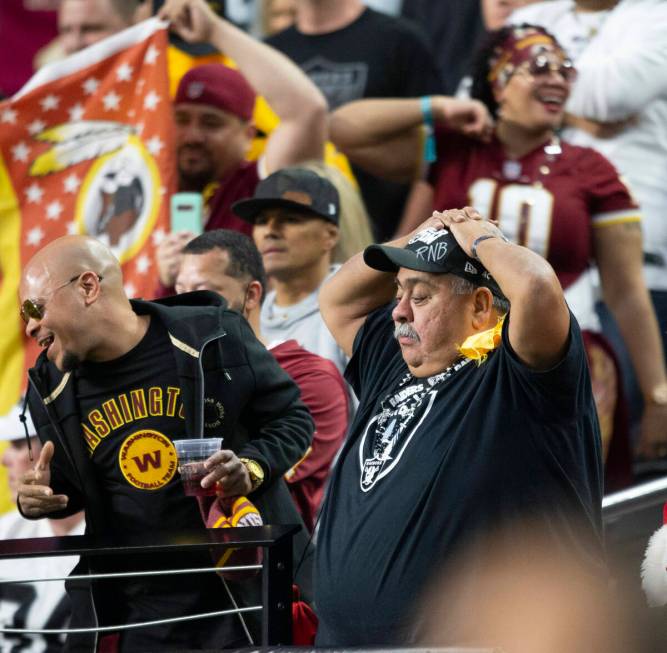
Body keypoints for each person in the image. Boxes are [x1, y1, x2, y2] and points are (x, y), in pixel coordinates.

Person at [328, 24, 667, 482]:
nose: (559, 80)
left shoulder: (592, 168)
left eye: (567, 69)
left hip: (559, 349)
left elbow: (626, 292)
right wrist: (442, 107)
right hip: (448, 346)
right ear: (499, 81)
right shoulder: (452, 149)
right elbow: (343, 128)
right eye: (539, 67)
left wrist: (658, 394)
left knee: (557, 486)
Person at [315, 206, 605, 645]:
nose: (399, 312)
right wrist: (426, 232)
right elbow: (337, 298)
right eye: (398, 292)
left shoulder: (517, 373)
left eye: (421, 296)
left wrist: (479, 239)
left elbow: (537, 287)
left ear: (481, 306)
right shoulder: (393, 360)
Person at [17, 234, 313, 651]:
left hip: (239, 596)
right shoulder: (50, 389)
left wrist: (250, 468)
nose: (29, 326)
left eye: (34, 308)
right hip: (138, 612)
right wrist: (40, 498)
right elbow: (71, 487)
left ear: (88, 286)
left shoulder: (213, 334)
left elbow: (293, 419)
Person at [509, 0, 667, 459]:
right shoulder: (534, 15)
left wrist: (535, 96)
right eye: (540, 70)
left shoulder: (656, 13)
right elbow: (475, 92)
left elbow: (612, 95)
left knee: (617, 430)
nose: (552, 82)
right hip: (535, 256)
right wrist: (578, 117)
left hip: (640, 254)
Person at [175, 229, 349, 531]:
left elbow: (278, 473)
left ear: (251, 294)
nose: (186, 307)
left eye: (204, 291)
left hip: (271, 558)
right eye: (180, 291)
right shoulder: (178, 370)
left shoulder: (310, 376)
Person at [156, 0, 327, 291]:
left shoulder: (258, 187)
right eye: (182, 120)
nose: (193, 135)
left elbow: (308, 111)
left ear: (248, 134)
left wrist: (215, 30)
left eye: (211, 123)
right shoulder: (150, 189)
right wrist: (162, 279)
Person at [266, 0, 443, 241]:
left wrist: (402, 245)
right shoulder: (271, 53)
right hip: (294, 239)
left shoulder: (399, 39)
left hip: (383, 235)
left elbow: (437, 156)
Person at [231, 166, 347, 374]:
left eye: (291, 219)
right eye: (261, 221)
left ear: (330, 235)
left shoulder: (354, 308)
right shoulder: (248, 315)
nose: (270, 231)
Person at [0, 402, 85, 653]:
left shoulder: (111, 533)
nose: (5, 460)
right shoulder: (6, 530)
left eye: (18, 445)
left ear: (55, 451)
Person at [58, 0, 147, 56]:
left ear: (131, 25)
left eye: (90, 29)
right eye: (66, 30)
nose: (75, 44)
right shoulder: (48, 76)